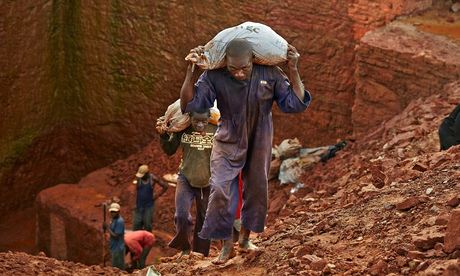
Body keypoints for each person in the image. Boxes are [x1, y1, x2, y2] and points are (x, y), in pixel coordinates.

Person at [180, 38, 311, 264]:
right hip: (228, 137)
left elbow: (295, 103)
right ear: (225, 64)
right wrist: (191, 72)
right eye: (233, 69)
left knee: (257, 187)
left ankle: (245, 239)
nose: (239, 73)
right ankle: (226, 245)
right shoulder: (215, 76)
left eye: (244, 68)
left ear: (253, 61)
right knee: (220, 188)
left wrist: (293, 68)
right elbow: (190, 105)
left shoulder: (270, 75)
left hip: (260, 136)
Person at [159, 109, 217, 257]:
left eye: (203, 121)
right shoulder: (182, 129)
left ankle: (200, 254)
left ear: (209, 117)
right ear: (189, 117)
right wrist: (163, 135)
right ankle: (184, 247)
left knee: (204, 220)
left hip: (207, 180)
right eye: (196, 121)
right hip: (185, 178)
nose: (199, 125)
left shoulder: (217, 129)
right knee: (182, 215)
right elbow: (170, 150)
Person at [133, 164, 169, 232]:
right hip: (139, 205)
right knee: (136, 225)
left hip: (148, 206)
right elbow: (138, 191)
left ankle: (148, 240)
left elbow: (165, 186)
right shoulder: (139, 179)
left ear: (147, 173)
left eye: (143, 175)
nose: (141, 177)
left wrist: (157, 195)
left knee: (147, 225)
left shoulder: (152, 178)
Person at [103, 202, 125, 270]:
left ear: (118, 212)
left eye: (114, 212)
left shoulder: (120, 221)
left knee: (118, 268)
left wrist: (107, 228)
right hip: (113, 246)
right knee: (114, 266)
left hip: (118, 248)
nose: (113, 213)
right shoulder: (113, 220)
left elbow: (116, 236)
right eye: (112, 212)